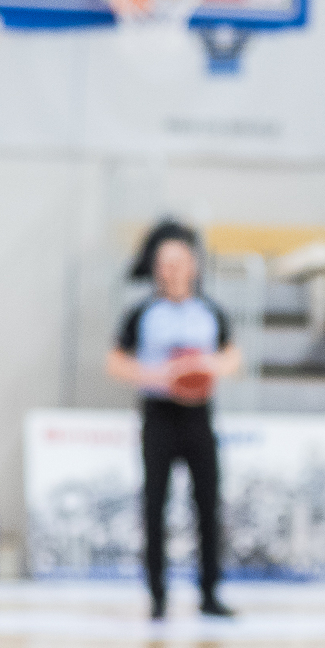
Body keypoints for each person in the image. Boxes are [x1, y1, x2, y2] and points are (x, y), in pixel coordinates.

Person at [107, 222, 240, 620]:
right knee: (154, 505)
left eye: (179, 262)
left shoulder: (210, 312)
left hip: (199, 416)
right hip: (159, 415)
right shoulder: (143, 313)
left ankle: (210, 592)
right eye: (165, 263)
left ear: (193, 266)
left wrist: (204, 367)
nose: (173, 270)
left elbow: (233, 356)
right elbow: (115, 361)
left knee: (208, 503)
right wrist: (161, 375)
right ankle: (157, 594)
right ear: (156, 269)